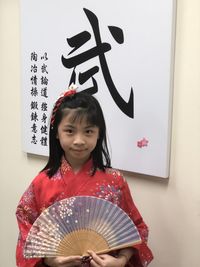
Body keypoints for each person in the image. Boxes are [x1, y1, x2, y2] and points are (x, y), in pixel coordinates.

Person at [16, 84, 153, 267]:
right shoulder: (42, 182)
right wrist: (48, 259)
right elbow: (27, 226)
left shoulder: (115, 181)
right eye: (70, 131)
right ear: (56, 133)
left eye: (88, 131)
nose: (79, 140)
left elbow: (136, 230)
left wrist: (121, 260)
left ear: (98, 134)